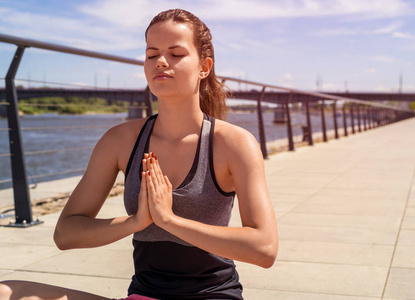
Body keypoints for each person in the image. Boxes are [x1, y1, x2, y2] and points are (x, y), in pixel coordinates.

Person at [0, 8, 278, 300]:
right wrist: (136, 221)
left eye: (176, 54)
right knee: (7, 292)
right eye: (151, 54)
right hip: (144, 295)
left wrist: (170, 221)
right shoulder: (120, 140)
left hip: (212, 295)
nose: (160, 62)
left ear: (204, 67)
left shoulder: (234, 144)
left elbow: (264, 248)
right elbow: (66, 233)